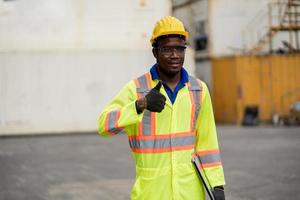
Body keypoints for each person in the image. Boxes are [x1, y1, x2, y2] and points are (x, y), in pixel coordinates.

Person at [98, 16, 225, 200]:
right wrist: (140, 105)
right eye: (167, 49)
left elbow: (208, 145)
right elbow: (104, 126)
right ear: (155, 52)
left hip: (189, 193)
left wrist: (217, 185)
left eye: (180, 49)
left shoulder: (198, 90)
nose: (175, 55)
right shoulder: (137, 89)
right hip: (151, 193)